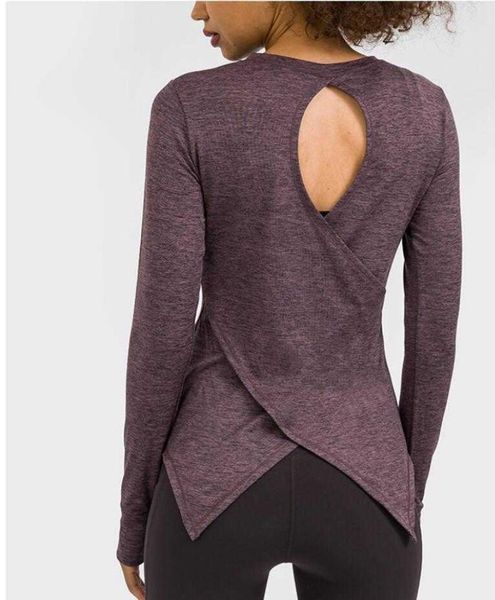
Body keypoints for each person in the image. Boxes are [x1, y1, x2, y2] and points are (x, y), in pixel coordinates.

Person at [117, 2, 461, 599]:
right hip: (367, 484)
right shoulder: (423, 112)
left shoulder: (191, 108)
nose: (196, 9)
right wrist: (402, 493)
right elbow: (434, 333)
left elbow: (161, 330)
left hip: (210, 485)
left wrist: (135, 519)